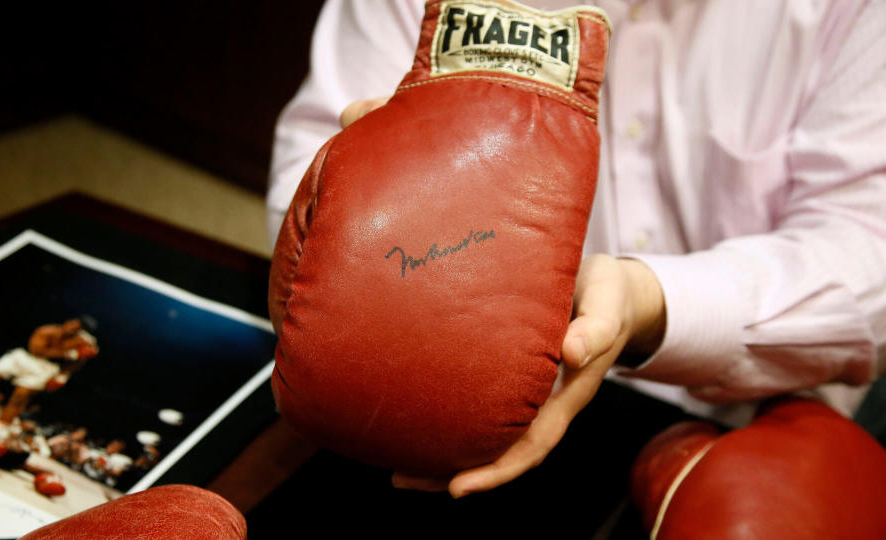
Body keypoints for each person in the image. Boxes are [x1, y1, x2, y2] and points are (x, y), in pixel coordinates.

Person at [266, 0, 886, 498]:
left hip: (735, 438)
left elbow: (867, 248)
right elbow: (318, 145)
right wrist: (370, 202)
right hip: (407, 389)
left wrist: (650, 303)